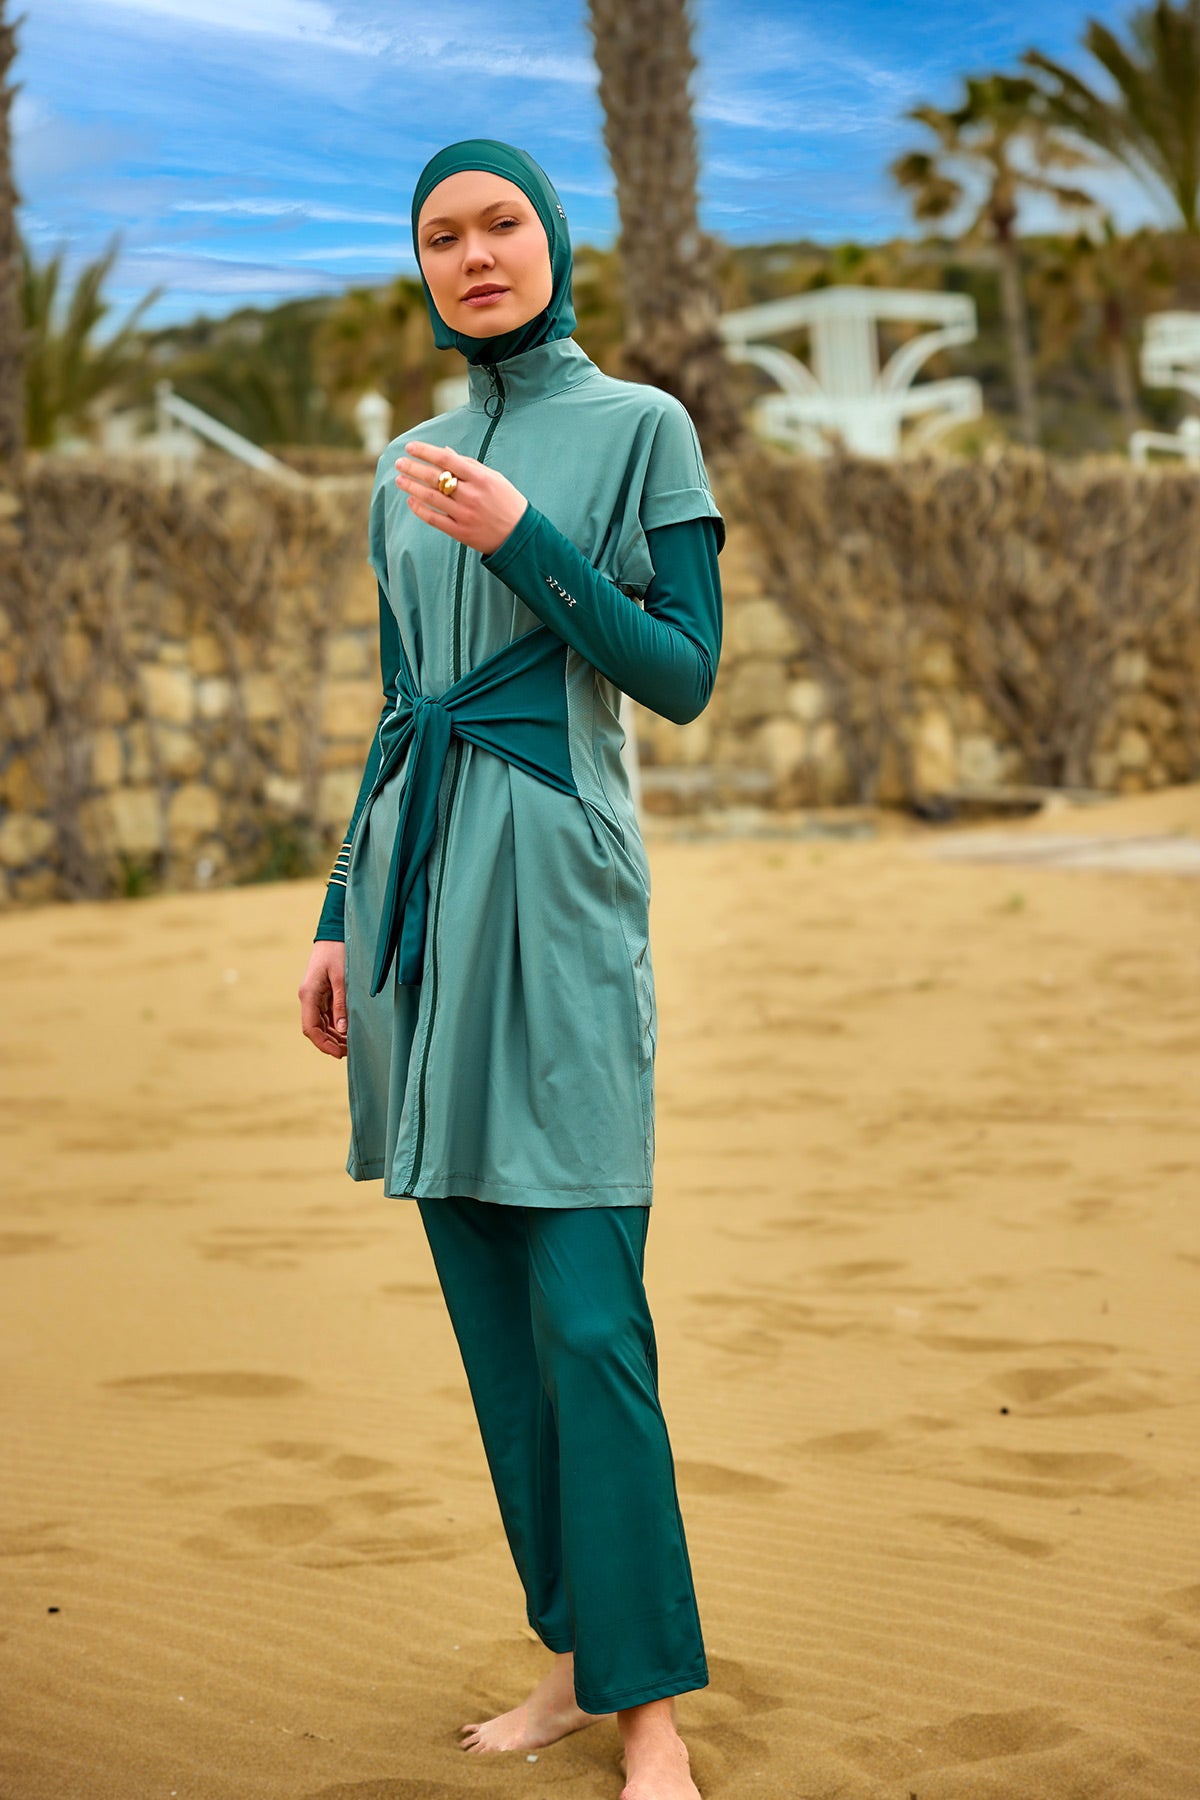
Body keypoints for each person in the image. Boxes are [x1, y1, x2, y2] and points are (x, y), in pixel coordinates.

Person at [297, 138, 724, 1800]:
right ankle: (568, 1660)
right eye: (442, 236)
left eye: (501, 225)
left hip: (555, 895)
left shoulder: (642, 429)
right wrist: (337, 914)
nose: (475, 256)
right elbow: (399, 706)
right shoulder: (400, 460)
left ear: (555, 240)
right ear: (420, 264)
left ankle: (652, 1718)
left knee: (590, 1319)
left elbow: (679, 672)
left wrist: (527, 539)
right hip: (419, 903)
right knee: (496, 1330)